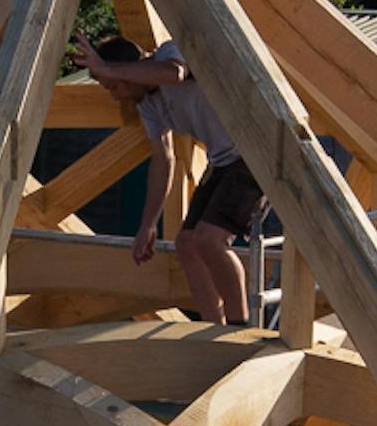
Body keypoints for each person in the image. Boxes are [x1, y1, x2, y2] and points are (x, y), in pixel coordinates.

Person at [78, 36, 269, 326]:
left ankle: (240, 327)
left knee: (210, 239)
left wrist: (109, 68)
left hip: (253, 155)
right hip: (223, 161)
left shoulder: (169, 52)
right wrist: (147, 226)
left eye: (115, 86)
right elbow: (163, 160)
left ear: (129, 69)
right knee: (187, 244)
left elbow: (175, 73)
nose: (116, 95)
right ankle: (211, 328)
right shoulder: (147, 104)